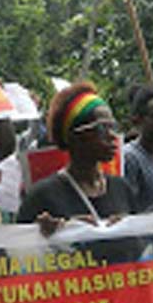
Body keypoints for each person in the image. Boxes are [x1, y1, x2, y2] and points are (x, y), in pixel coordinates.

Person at [17, 82, 136, 223]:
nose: (112, 136)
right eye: (102, 128)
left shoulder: (121, 188)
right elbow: (22, 242)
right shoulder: (42, 196)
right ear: (75, 137)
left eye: (113, 127)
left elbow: (142, 242)